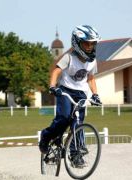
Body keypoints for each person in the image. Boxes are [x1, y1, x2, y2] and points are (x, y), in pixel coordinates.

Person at [39, 25, 102, 165]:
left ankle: (75, 155)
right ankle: (46, 135)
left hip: (81, 93)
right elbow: (56, 72)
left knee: (78, 122)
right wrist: (52, 87)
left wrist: (95, 94)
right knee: (64, 118)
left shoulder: (92, 61)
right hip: (65, 91)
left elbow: (91, 78)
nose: (89, 47)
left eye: (92, 44)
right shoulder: (69, 57)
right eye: (86, 43)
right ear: (77, 43)